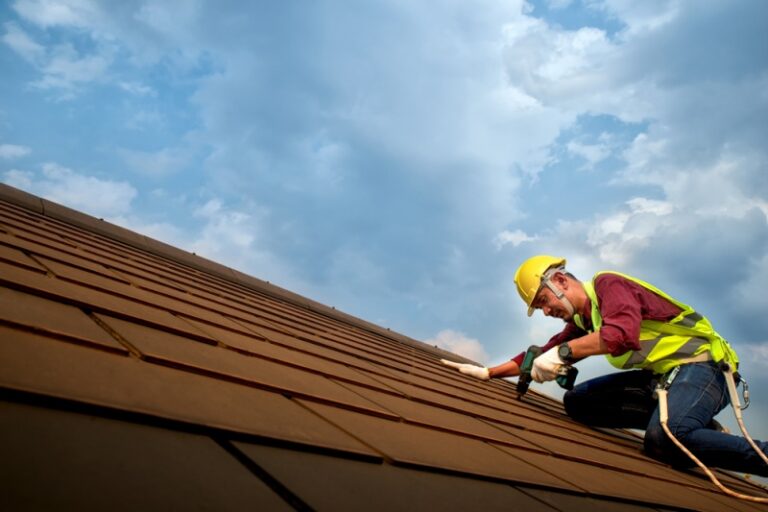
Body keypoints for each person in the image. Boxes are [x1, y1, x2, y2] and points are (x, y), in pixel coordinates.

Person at [442, 255, 768, 476]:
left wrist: (566, 354)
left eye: (543, 301)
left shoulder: (609, 285)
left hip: (705, 369)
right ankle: (695, 427)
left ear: (560, 281)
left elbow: (620, 335)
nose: (545, 311)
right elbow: (545, 351)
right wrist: (489, 373)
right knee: (579, 402)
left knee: (664, 439)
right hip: (664, 380)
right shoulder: (585, 319)